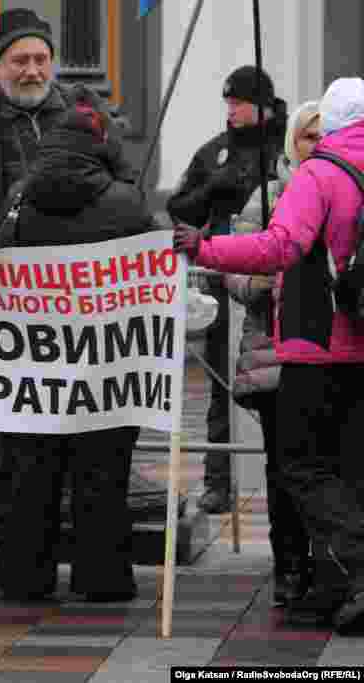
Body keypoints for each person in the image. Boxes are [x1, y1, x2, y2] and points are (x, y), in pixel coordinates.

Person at [174, 77, 364, 634]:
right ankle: (338, 587)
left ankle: (355, 568)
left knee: (301, 466)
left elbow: (280, 247)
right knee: (350, 469)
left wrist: (204, 247)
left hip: (316, 342)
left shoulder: (320, 174)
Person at [0, 6, 132, 587]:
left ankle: (52, 554)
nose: (32, 70)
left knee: (71, 436)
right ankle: (10, 545)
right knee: (9, 434)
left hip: (80, 306)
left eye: (40, 59)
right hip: (5, 303)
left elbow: (123, 176)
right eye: (19, 60)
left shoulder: (85, 113)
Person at [0, 96, 153, 603]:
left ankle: (24, 577)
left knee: (30, 473)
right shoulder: (126, 202)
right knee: (103, 472)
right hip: (107, 360)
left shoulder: (20, 195)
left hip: (33, 360)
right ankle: (104, 578)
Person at [167, 65, 288, 514]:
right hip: (222, 279)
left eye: (238, 102)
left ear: (262, 105)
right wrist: (210, 191)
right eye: (228, 102)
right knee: (222, 382)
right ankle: (218, 479)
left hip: (275, 284)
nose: (231, 110)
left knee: (280, 385)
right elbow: (179, 208)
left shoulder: (284, 149)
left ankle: (284, 479)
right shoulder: (214, 152)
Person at [226, 100, 319, 606]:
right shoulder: (267, 198)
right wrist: (255, 281)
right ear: (292, 143)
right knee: (284, 468)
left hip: (332, 356)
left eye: (327, 135)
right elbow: (234, 266)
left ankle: (331, 564)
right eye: (309, 136)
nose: (318, 145)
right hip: (274, 357)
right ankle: (289, 566)